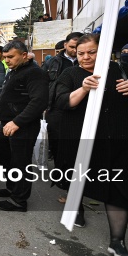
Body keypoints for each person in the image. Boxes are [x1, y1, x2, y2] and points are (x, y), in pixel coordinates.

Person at [54, 33, 128, 256]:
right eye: (81, 53)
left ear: (102, 50)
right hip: (84, 142)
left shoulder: (120, 69)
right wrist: (84, 88)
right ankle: (78, 210)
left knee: (116, 188)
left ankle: (118, 242)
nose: (85, 57)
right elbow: (63, 102)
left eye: (91, 52)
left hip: (118, 140)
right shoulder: (70, 73)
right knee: (81, 178)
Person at [0, 41, 49, 212]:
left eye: (11, 57)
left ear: (24, 56)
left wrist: (17, 122)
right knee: (5, 158)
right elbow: (5, 95)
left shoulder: (34, 73)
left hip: (22, 126)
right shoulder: (14, 71)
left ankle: (19, 201)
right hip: (7, 124)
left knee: (20, 163)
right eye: (5, 57)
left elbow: (39, 102)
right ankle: (11, 188)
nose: (7, 60)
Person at [43, 32, 80, 173]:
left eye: (78, 47)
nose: (75, 51)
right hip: (56, 108)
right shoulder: (52, 62)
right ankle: (60, 173)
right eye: (71, 47)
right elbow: (43, 83)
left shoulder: (88, 62)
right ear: (65, 45)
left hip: (79, 109)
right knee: (57, 142)